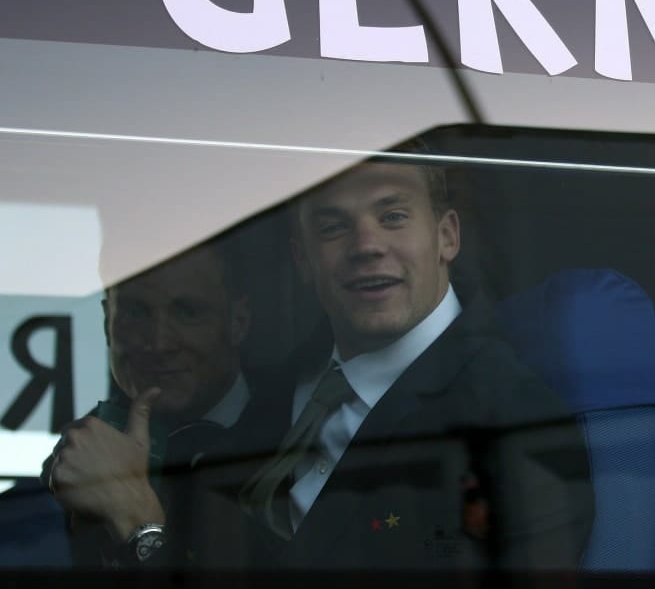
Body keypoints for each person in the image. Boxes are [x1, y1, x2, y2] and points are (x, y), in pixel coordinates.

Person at [226, 145, 592, 571]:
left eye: (393, 217)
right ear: (303, 259)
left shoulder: (516, 421)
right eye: (333, 228)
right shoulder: (286, 383)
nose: (366, 246)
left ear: (447, 237)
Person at [42, 239, 252, 567]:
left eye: (187, 312)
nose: (159, 342)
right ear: (107, 322)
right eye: (135, 313)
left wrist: (135, 521)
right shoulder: (69, 463)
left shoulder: (299, 441)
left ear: (238, 320)